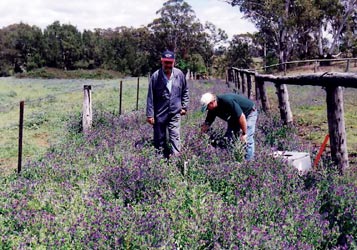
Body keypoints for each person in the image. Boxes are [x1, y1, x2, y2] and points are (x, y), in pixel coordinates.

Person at [146, 50, 189, 157]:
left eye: (170, 63)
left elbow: (185, 91)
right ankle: (160, 160)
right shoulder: (156, 76)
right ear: (162, 61)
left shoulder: (179, 74)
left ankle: (176, 158)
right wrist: (150, 114)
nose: (168, 65)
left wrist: (184, 107)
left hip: (175, 111)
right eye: (166, 62)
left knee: (175, 136)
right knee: (159, 138)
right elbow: (150, 96)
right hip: (160, 112)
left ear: (174, 62)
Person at [200, 92, 258, 160]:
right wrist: (200, 134)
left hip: (248, 113)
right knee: (228, 139)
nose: (208, 109)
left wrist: (244, 133)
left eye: (207, 107)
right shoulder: (212, 109)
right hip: (234, 117)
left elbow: (241, 117)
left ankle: (248, 163)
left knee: (247, 139)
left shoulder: (226, 101)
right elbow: (207, 123)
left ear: (212, 102)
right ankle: (230, 159)